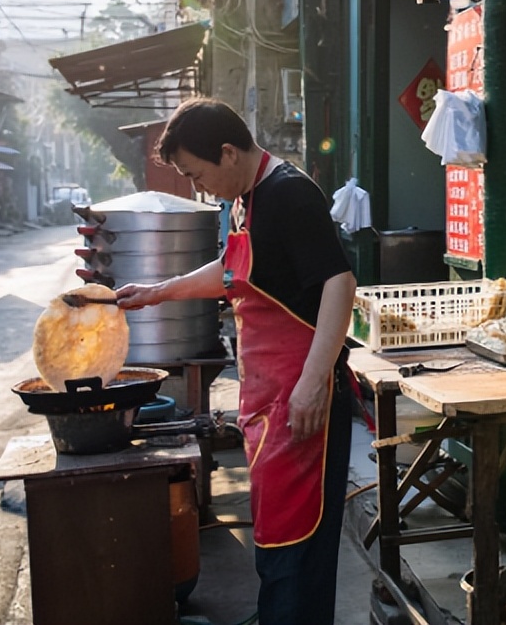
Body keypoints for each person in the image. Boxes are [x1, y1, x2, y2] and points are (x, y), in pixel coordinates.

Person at [115, 97, 358, 625]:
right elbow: (234, 271)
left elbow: (340, 284)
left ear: (227, 153)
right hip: (269, 405)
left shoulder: (289, 194)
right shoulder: (247, 198)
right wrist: (158, 292)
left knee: (297, 554)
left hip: (302, 403)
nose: (198, 186)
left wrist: (314, 382)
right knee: (275, 548)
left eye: (196, 173)